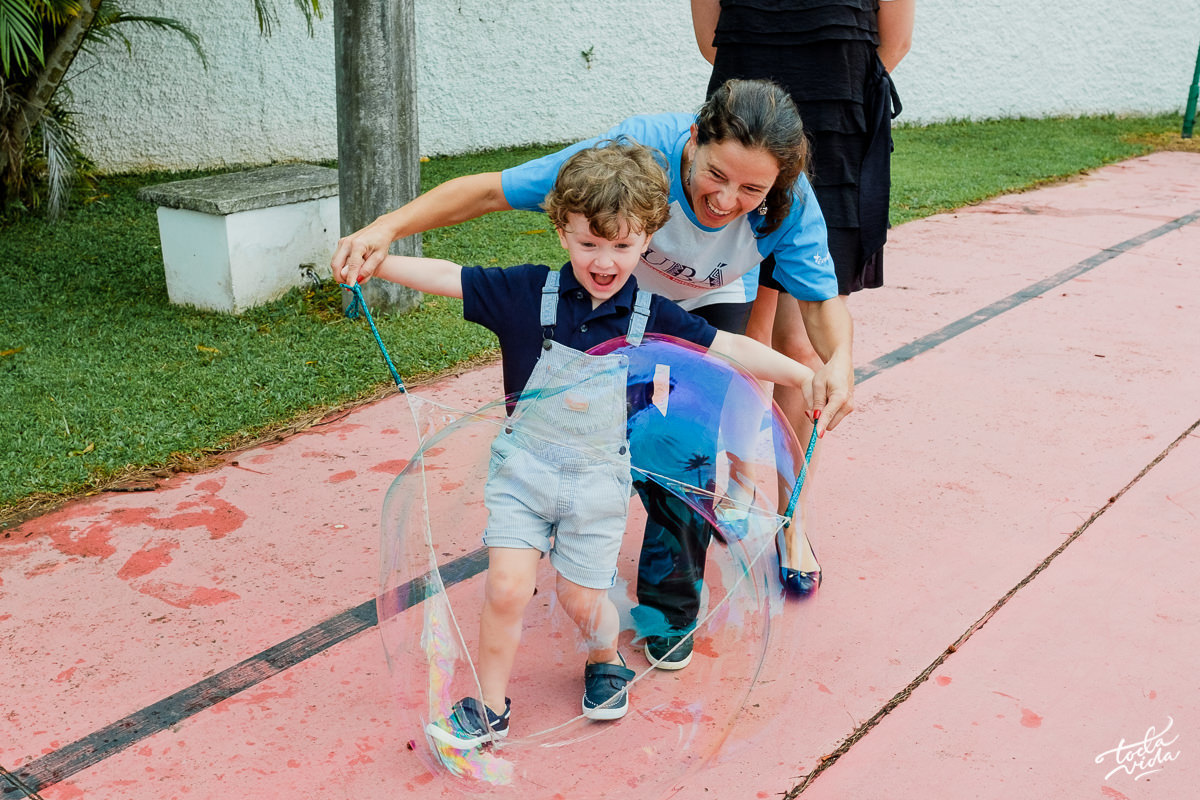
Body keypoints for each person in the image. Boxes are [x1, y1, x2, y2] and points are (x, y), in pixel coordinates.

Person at [332, 78, 850, 671]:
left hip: (706, 305)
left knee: (683, 448)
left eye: (751, 189)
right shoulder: (623, 164)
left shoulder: (788, 199)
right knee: (604, 432)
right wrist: (385, 230)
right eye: (716, 176)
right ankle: (555, 539)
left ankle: (670, 606)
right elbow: (489, 191)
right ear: (691, 141)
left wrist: (831, 367)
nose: (729, 200)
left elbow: (810, 309)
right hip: (616, 288)